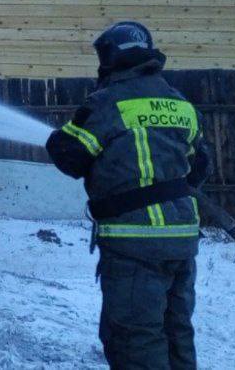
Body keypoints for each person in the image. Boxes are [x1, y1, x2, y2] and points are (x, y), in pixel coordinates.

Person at [45, 21, 212, 370]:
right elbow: (199, 168)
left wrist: (57, 139)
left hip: (135, 244)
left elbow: (71, 157)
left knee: (134, 340)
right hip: (182, 241)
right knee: (175, 332)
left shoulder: (106, 103)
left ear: (110, 57)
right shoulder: (180, 103)